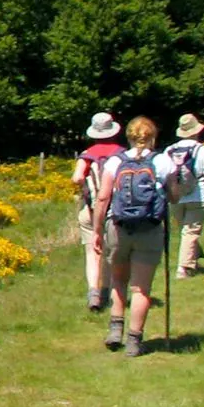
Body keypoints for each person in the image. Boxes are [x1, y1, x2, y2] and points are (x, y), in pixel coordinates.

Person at [89, 116, 181, 357]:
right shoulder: (162, 161)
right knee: (141, 289)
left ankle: (115, 330)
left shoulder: (114, 163)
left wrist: (97, 231)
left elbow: (102, 198)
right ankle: (134, 341)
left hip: (118, 227)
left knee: (119, 281)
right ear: (152, 137)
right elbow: (174, 197)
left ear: (128, 137)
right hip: (149, 229)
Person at [72, 112, 125, 312]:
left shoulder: (87, 154)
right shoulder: (122, 153)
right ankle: (109, 291)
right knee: (112, 253)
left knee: (92, 252)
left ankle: (93, 294)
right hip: (116, 211)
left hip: (91, 209)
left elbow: (77, 178)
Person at [165, 114, 204, 279]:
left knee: (185, 230)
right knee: (191, 232)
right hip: (197, 196)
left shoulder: (170, 150)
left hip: (175, 197)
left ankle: (193, 258)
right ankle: (184, 268)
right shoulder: (202, 150)